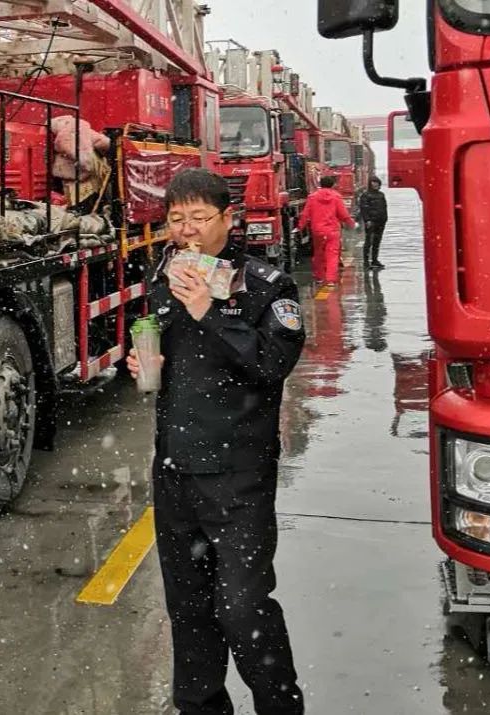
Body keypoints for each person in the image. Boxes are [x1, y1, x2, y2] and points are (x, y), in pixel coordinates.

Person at [126, 168, 305, 715]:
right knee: (189, 610)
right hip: (176, 471)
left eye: (200, 219)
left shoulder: (265, 284)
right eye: (176, 220)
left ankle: (280, 706)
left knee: (244, 610)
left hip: (239, 475)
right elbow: (161, 351)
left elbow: (274, 362)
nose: (188, 231)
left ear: (228, 218)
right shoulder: (165, 278)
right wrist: (143, 362)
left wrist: (209, 309)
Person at [298, 175, 355, 287]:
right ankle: (330, 279)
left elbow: (305, 214)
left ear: (320, 184)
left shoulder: (312, 197)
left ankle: (319, 277)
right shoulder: (336, 197)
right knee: (332, 255)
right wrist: (351, 223)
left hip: (318, 230)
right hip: (333, 230)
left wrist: (300, 226)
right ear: (332, 185)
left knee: (318, 253)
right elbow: (343, 214)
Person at [359, 177, 388, 269]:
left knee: (377, 241)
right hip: (371, 222)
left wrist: (385, 218)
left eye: (377, 183)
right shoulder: (366, 195)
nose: (375, 184)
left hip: (381, 221)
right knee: (369, 241)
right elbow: (364, 209)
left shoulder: (381, 195)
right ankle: (366, 261)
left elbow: (384, 207)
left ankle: (375, 260)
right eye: (373, 182)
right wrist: (367, 220)